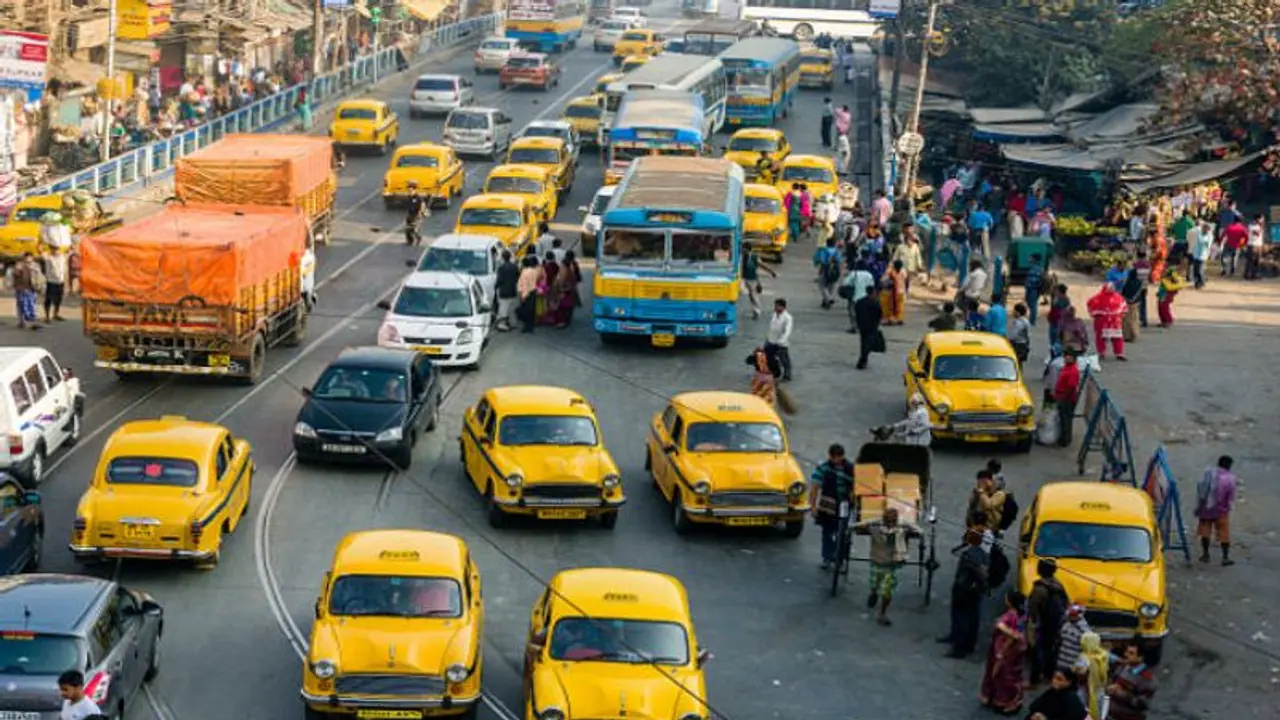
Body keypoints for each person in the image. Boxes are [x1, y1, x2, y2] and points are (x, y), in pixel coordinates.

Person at [853, 507, 916, 626]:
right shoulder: (875, 528)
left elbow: (918, 530)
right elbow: (857, 526)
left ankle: (882, 613)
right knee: (874, 584)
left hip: (890, 565)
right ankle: (873, 592)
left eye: (894, 521)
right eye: (889, 521)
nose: (891, 524)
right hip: (876, 562)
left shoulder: (901, 530)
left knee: (887, 591)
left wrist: (905, 524)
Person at [940, 530, 988, 658]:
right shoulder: (983, 554)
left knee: (962, 618)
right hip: (975, 591)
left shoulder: (968, 555)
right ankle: (968, 644)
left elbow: (955, 554)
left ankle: (959, 648)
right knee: (972, 618)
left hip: (965, 590)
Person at [979, 589, 1028, 714]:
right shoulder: (1022, 616)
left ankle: (1002, 700)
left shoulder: (1010, 615)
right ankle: (1009, 700)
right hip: (1014, 649)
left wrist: (1011, 634)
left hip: (1004, 648)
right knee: (1012, 675)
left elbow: (1000, 626)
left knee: (1002, 676)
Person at [1027, 558, 1071, 688]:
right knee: (1051, 651)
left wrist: (1031, 625)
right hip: (1055, 625)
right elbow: (1066, 603)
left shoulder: (1040, 588)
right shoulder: (1058, 585)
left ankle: (1034, 680)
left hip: (1041, 625)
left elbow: (1032, 609)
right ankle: (1048, 674)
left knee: (1035, 651)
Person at [810, 443, 854, 570]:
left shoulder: (850, 469)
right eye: (834, 457)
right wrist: (813, 506)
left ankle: (841, 559)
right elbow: (815, 488)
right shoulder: (824, 468)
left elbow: (856, 486)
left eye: (838, 457)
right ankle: (827, 557)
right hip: (827, 505)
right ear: (830, 456)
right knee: (827, 532)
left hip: (845, 505)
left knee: (843, 533)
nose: (836, 460)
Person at [1194, 454, 1238, 566]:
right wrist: (1229, 508)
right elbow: (1230, 497)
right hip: (1221, 511)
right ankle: (1225, 557)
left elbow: (1200, 490)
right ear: (1229, 465)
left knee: (1205, 532)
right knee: (1224, 534)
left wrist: (1199, 506)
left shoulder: (1208, 473)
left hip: (1206, 510)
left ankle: (1205, 555)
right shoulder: (1231, 478)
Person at [1105, 642, 1156, 720]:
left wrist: (1122, 694)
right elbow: (1113, 682)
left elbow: (1144, 704)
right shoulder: (1122, 667)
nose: (1126, 655)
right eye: (1126, 652)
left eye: (1131, 653)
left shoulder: (1146, 678)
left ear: (1140, 658)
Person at [1074, 632, 1110, 720]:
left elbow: (1080, 675)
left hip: (1086, 691)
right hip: (1100, 690)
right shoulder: (1103, 655)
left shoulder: (1084, 658)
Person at [1086, 284, 1127, 361]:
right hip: (1102, 322)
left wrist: (1121, 315)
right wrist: (1096, 313)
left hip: (1115, 322)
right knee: (1101, 338)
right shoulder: (1097, 298)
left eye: (1112, 288)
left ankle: (1119, 353)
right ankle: (1101, 353)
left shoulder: (1118, 297)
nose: (1111, 289)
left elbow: (1123, 307)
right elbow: (1090, 304)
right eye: (1110, 288)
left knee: (1117, 338)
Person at [5, 252, 43, 330]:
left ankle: (29, 320)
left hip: (32, 288)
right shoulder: (19, 265)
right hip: (21, 289)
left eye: (30, 257)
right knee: (21, 305)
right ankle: (22, 322)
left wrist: (40, 287)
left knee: (31, 304)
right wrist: (17, 270)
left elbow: (40, 277)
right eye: (27, 257)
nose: (28, 259)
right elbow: (14, 275)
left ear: (32, 258)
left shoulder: (36, 266)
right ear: (24, 258)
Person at [741, 243, 776, 320]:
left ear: (746, 249)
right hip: (741, 278)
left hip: (751, 278)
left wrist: (771, 272)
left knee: (753, 295)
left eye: (743, 248)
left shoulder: (754, 257)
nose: (741, 250)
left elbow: (762, 265)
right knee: (740, 291)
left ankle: (756, 311)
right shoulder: (740, 256)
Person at [1053, 352, 1082, 447]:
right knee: (1063, 419)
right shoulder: (1067, 367)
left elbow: (1071, 387)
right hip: (1062, 396)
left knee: (1066, 420)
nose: (1066, 359)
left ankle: (1065, 440)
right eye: (1065, 357)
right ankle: (1064, 438)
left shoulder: (1073, 371)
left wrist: (1063, 398)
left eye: (1069, 357)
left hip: (1067, 399)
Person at [841, 257, 875, 333]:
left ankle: (854, 326)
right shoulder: (869, 275)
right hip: (865, 297)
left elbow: (845, 283)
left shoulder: (853, 274)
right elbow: (871, 286)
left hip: (854, 296)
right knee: (863, 312)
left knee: (852, 311)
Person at [854, 284, 882, 370]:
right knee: (868, 343)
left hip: (862, 325)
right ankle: (863, 359)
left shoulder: (859, 302)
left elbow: (856, 313)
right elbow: (879, 314)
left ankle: (863, 359)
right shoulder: (875, 302)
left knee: (863, 342)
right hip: (872, 326)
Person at [550, 251, 581, 328]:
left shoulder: (564, 267)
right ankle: (567, 320)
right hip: (571, 287)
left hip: (564, 288)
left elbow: (561, 279)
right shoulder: (574, 264)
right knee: (569, 305)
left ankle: (562, 322)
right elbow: (577, 276)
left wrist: (558, 287)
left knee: (562, 306)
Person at [765, 298, 794, 381]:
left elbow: (787, 331)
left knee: (784, 359)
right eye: (775, 305)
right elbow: (771, 327)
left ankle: (787, 375)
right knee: (769, 357)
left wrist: (782, 340)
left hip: (781, 342)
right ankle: (775, 372)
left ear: (783, 307)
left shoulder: (788, 318)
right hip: (771, 340)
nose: (775, 307)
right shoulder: (774, 314)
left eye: (777, 306)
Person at [1057, 604, 1091, 672]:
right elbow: (1061, 638)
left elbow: (1086, 648)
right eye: (1071, 614)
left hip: (1075, 664)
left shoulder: (1085, 630)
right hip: (1062, 662)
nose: (1072, 617)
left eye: (1074, 615)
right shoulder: (1066, 625)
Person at [42, 242, 70, 322]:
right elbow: (40, 250)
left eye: (57, 249)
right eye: (54, 249)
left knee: (58, 299)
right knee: (49, 299)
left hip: (60, 281)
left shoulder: (62, 257)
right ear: (51, 250)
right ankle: (47, 316)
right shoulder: (48, 257)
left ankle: (56, 314)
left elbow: (70, 249)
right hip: (51, 281)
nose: (56, 251)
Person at [813, 238, 842, 309]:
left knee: (822, 286)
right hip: (835, 271)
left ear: (827, 243)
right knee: (831, 286)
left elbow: (822, 261)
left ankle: (829, 299)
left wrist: (820, 269)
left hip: (826, 270)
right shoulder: (836, 251)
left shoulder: (824, 250)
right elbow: (840, 261)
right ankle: (827, 302)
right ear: (834, 244)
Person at [494, 250, 520, 331]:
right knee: (512, 309)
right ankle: (513, 323)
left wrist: (495, 287)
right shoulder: (514, 266)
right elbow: (517, 277)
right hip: (513, 290)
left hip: (504, 291)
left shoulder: (501, 268)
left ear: (503, 257)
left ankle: (502, 325)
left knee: (503, 309)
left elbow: (499, 280)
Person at [516, 255, 541, 333]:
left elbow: (525, 284)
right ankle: (531, 327)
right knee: (532, 310)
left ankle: (526, 327)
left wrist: (523, 295)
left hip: (527, 292)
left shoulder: (525, 272)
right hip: (533, 291)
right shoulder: (534, 271)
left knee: (526, 311)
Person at [536, 251, 560, 325]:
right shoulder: (556, 265)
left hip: (546, 285)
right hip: (554, 284)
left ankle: (546, 317)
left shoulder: (545, 266)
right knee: (553, 300)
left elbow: (543, 276)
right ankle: (552, 317)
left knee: (546, 301)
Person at [882, 259, 907, 325]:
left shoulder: (891, 271)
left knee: (891, 305)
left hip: (893, 291)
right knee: (900, 306)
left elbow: (884, 279)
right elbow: (905, 279)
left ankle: (891, 319)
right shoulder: (903, 271)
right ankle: (899, 319)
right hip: (901, 291)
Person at [1189, 219, 1211, 288]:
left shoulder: (1209, 236)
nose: (1203, 229)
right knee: (1195, 270)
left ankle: (1201, 282)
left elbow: (1206, 244)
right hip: (1196, 254)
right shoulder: (1199, 233)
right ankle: (1198, 282)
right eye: (1203, 228)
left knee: (1199, 270)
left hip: (1203, 255)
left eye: (1205, 228)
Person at [1023, 254, 1044, 325]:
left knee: (1033, 305)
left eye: (1031, 258)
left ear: (1034, 259)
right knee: (1031, 304)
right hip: (1033, 289)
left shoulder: (1036, 269)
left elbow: (1032, 280)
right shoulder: (1038, 268)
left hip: (1032, 289)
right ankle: (1032, 320)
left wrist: (1028, 288)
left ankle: (1032, 321)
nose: (1029, 259)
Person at [1244, 213, 1266, 280]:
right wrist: (1261, 226)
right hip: (1252, 245)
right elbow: (1257, 234)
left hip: (1258, 245)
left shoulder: (1259, 225)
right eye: (1262, 218)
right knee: (1251, 261)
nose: (1263, 220)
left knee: (1257, 261)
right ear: (1258, 219)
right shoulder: (1252, 225)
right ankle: (1247, 275)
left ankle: (1254, 275)